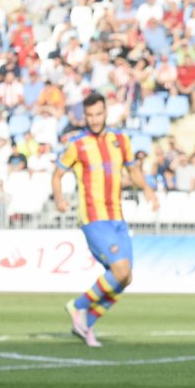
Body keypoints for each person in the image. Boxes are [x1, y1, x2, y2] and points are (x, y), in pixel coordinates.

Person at [51, 92, 159, 348]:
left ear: (106, 113)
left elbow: (133, 170)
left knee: (125, 278)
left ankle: (86, 324)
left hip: (117, 217)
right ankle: (77, 306)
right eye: (89, 115)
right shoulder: (77, 144)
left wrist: (147, 189)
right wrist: (59, 199)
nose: (94, 119)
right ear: (84, 117)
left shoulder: (120, 140)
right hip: (93, 217)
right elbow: (57, 175)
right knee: (120, 270)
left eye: (98, 114)